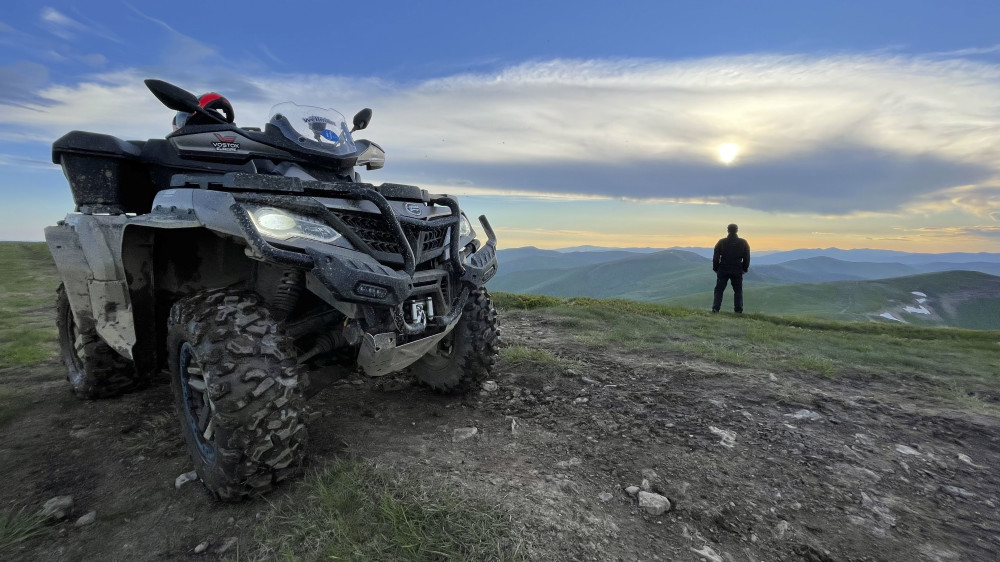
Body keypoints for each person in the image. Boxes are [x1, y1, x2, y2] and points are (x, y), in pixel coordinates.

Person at [712, 223, 750, 313]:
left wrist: (716, 268)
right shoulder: (743, 242)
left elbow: (716, 257)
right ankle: (738, 310)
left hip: (723, 268)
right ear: (737, 230)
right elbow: (747, 257)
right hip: (737, 269)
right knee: (738, 290)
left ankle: (715, 308)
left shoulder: (721, 242)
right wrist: (744, 269)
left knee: (719, 289)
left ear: (728, 230)